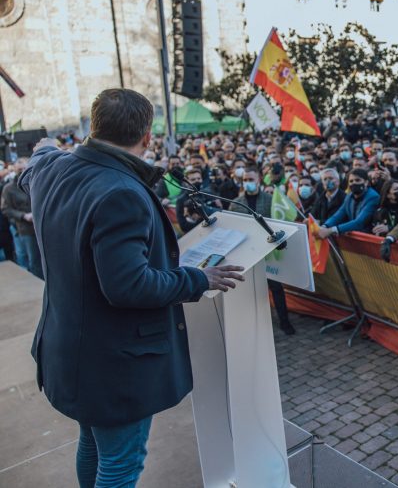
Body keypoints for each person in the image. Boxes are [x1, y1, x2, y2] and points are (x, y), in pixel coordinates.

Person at [19, 89, 244, 486]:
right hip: (112, 362)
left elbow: (39, 157)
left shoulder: (49, 170)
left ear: (93, 125)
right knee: (121, 463)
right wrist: (198, 279)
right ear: (147, 138)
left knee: (93, 445)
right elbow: (128, 286)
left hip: (70, 350)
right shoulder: (121, 193)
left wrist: (46, 146)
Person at [228, 169, 295, 336]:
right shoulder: (237, 202)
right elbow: (233, 226)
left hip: (268, 250)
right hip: (247, 251)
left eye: (251, 178)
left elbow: (277, 221)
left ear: (258, 180)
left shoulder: (270, 199)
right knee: (250, 289)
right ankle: (254, 324)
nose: (247, 181)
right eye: (245, 179)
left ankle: (284, 322)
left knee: (276, 287)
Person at [1, 157, 42, 278]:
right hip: (25, 228)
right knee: (29, 259)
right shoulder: (8, 188)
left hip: (42, 227)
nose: (22, 171)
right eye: (20, 169)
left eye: (25, 168)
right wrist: (24, 216)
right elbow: (6, 209)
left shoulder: (37, 182)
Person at [318, 169, 379, 238]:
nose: (354, 183)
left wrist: (331, 230)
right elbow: (338, 215)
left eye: (357, 180)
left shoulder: (373, 197)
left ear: (366, 182)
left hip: (369, 238)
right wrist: (324, 226)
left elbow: (359, 222)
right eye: (351, 181)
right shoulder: (349, 196)